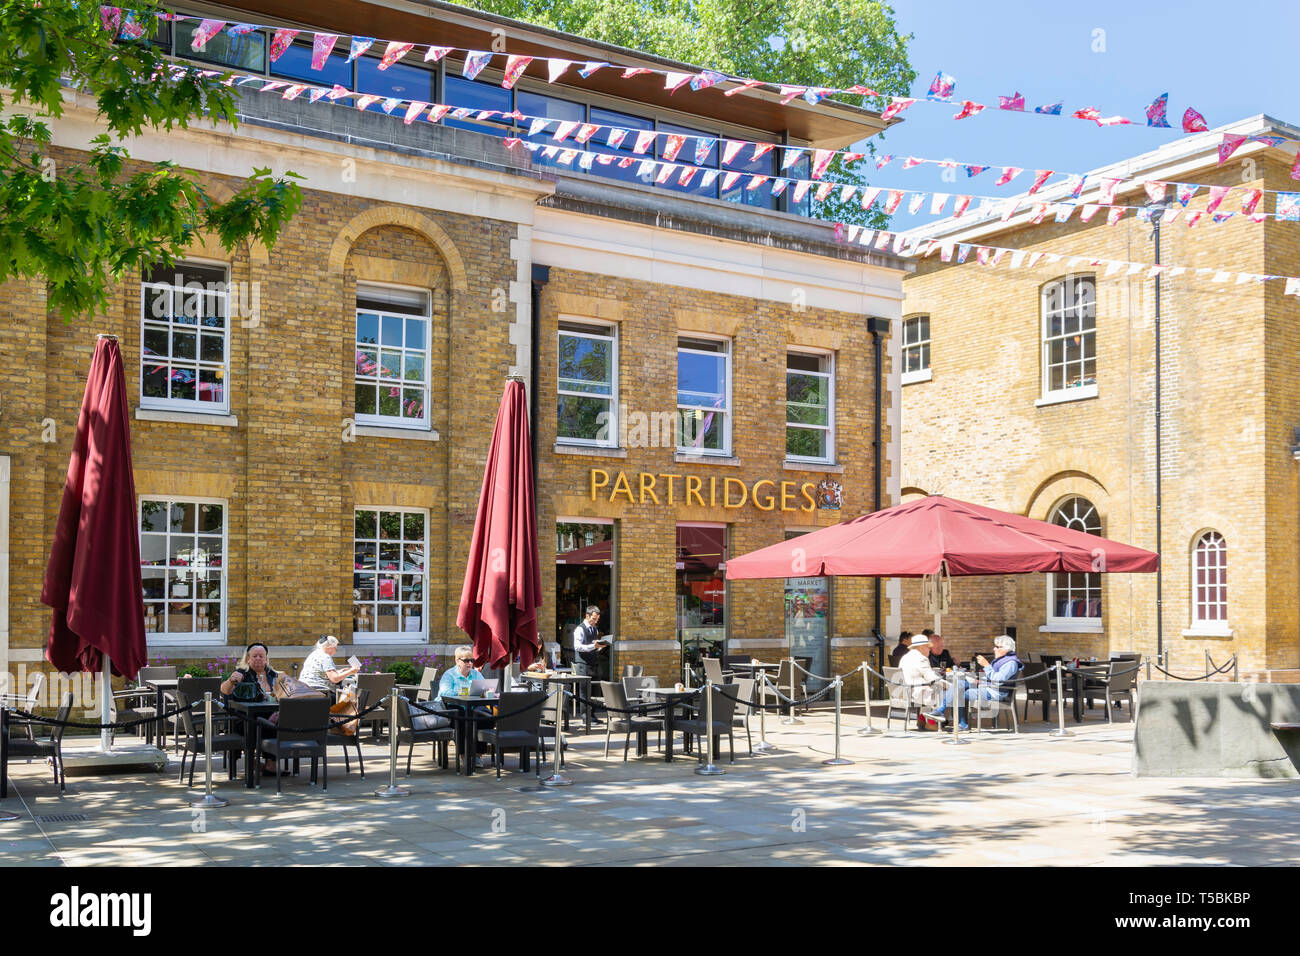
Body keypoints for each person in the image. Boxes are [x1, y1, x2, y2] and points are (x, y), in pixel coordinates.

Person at [927, 635, 1022, 730]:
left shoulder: (1011, 663)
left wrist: (987, 665)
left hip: (996, 692)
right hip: (988, 687)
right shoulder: (1003, 660)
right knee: (959, 683)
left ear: (1005, 648)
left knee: (959, 691)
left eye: (997, 647)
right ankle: (944, 712)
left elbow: (998, 681)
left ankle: (955, 720)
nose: (994, 649)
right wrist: (979, 681)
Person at [220, 643, 280, 773]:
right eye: (254, 656)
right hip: (244, 718)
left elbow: (282, 695)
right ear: (248, 659)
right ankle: (254, 762)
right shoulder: (242, 674)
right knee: (264, 724)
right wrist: (231, 681)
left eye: (261, 656)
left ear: (266, 659)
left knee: (277, 723)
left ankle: (271, 763)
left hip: (269, 715)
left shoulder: (273, 675)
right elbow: (225, 690)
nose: (258, 658)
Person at [898, 635, 945, 731]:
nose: (929, 649)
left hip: (902, 691)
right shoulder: (921, 658)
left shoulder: (905, 657)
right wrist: (948, 685)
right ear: (921, 647)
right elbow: (931, 677)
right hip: (914, 691)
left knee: (930, 689)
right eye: (928, 647)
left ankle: (922, 719)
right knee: (939, 690)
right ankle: (931, 722)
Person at [572, 605, 610, 681]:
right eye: (594, 619)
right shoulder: (580, 629)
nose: (595, 622)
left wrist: (600, 647)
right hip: (583, 666)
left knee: (596, 691)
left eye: (597, 620)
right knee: (584, 692)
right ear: (587, 616)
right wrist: (594, 646)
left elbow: (594, 647)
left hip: (594, 666)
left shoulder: (595, 630)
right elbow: (577, 647)